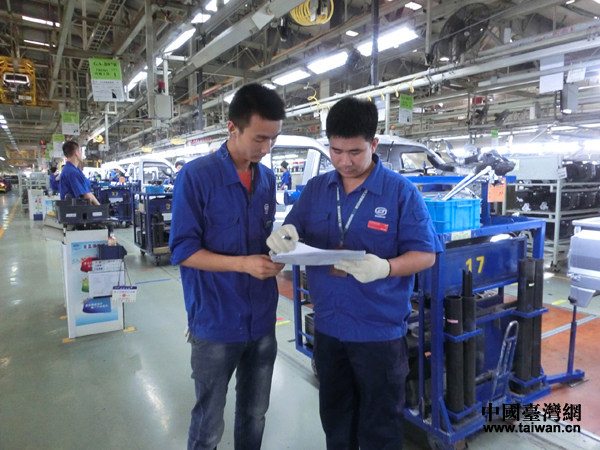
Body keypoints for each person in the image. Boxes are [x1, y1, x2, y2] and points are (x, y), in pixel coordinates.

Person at [267, 97, 442, 449]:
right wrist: (285, 235)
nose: (344, 161)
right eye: (336, 151)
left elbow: (426, 255)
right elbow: (293, 229)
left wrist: (387, 267)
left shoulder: (400, 193)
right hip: (329, 330)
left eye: (355, 152)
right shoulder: (317, 190)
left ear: (373, 144)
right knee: (336, 422)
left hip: (378, 334)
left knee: (380, 427)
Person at [169, 83, 287, 450]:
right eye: (259, 138)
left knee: (254, 414)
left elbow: (261, 240)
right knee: (208, 425)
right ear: (232, 128)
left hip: (261, 320)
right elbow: (183, 250)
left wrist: (280, 253)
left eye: (273, 139)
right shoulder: (196, 177)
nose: (266, 148)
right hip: (216, 321)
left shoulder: (266, 179)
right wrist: (243, 265)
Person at [59, 141, 100, 205]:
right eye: (80, 151)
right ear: (76, 153)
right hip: (77, 209)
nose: (82, 154)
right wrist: (100, 208)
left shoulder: (71, 169)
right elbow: (87, 197)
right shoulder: (72, 172)